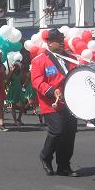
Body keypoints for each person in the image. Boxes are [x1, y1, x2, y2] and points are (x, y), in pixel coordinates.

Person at [31, 28, 79, 177]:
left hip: (70, 103)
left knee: (69, 133)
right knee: (57, 131)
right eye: (58, 41)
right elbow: (37, 81)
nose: (61, 43)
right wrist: (52, 91)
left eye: (61, 40)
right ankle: (45, 156)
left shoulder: (71, 58)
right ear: (49, 43)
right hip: (51, 103)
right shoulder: (39, 60)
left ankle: (64, 165)